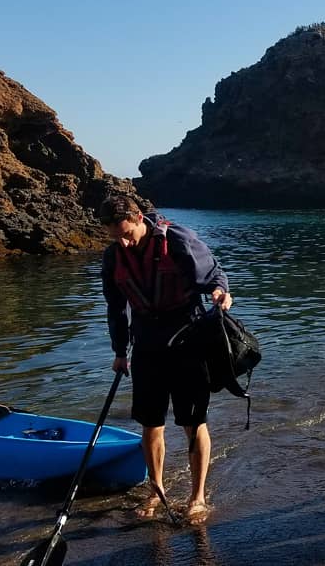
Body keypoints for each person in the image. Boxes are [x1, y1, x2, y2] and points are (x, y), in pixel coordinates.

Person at [98, 196, 233, 525]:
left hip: (188, 340)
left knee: (193, 422)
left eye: (128, 233)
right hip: (146, 345)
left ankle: (197, 496)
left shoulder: (179, 241)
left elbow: (215, 276)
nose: (125, 241)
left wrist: (220, 293)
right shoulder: (114, 255)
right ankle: (156, 490)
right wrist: (119, 353)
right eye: (117, 236)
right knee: (150, 423)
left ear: (140, 218)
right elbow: (116, 309)